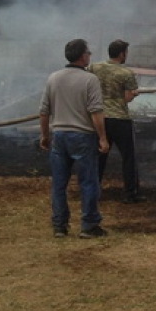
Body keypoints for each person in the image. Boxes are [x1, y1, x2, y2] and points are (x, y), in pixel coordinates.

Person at [39, 38, 110, 238]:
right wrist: (103, 138)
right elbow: (96, 112)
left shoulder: (53, 78)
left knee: (59, 183)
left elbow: (44, 111)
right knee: (88, 182)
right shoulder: (90, 80)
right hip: (83, 136)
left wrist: (45, 135)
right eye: (88, 53)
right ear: (82, 56)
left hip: (59, 135)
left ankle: (60, 226)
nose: (89, 56)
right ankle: (89, 225)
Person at [90, 39, 142, 202]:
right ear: (122, 54)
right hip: (119, 118)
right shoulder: (126, 73)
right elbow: (126, 98)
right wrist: (132, 94)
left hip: (99, 118)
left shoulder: (94, 68)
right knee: (128, 157)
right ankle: (130, 194)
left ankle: (93, 189)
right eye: (126, 52)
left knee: (99, 155)